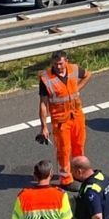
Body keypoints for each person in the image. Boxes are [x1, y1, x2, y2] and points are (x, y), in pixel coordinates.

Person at [38, 51, 92, 189]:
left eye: (61, 63)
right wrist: (44, 126)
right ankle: (66, 179)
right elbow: (43, 104)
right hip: (61, 121)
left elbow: (87, 75)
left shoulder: (73, 69)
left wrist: (77, 88)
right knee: (64, 150)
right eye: (56, 64)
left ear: (66, 61)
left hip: (77, 115)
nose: (59, 67)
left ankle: (78, 172)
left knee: (79, 146)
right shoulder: (46, 78)